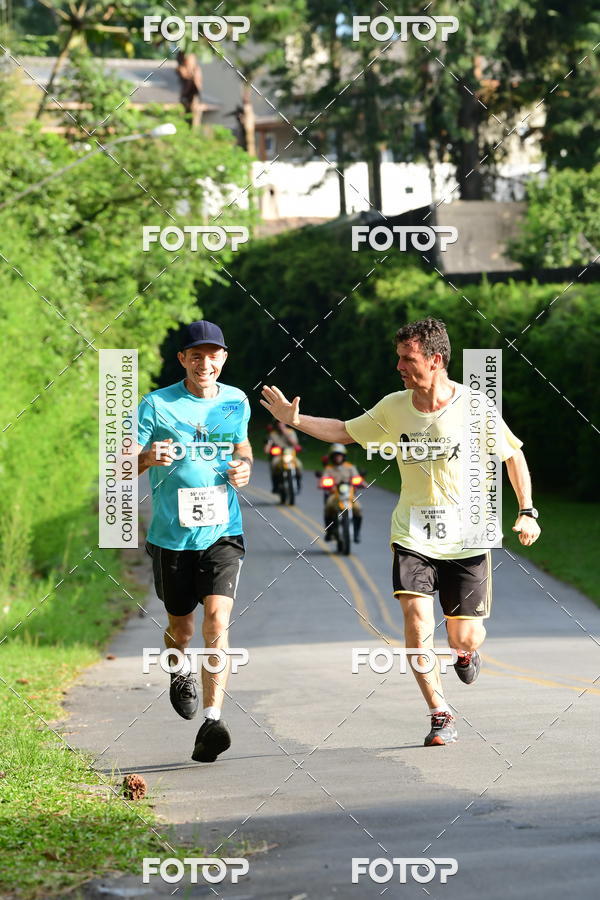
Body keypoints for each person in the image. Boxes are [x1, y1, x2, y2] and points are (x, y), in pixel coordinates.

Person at [261, 318, 541, 746]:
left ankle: (465, 652)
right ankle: (439, 711)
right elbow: (344, 431)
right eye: (398, 359)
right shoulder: (394, 406)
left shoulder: (476, 407)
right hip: (413, 534)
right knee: (415, 621)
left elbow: (513, 456)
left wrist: (527, 511)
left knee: (463, 634)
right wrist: (294, 420)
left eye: (407, 359)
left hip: (467, 537)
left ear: (436, 359)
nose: (399, 367)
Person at [136, 320, 252, 763]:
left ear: (224, 358)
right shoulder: (156, 404)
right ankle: (177, 670)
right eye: (196, 355)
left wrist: (243, 466)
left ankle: (212, 720)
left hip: (223, 531)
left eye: (214, 355)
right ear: (182, 359)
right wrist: (147, 457)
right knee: (181, 631)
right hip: (171, 537)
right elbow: (120, 466)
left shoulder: (236, 400)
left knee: (216, 624)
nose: (206, 363)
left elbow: (243, 448)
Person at [321, 443, 363, 543]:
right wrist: (325, 483)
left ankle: (356, 533)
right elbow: (324, 479)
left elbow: (357, 478)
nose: (337, 458)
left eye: (339, 455)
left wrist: (361, 482)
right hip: (334, 495)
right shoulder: (329, 468)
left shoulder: (350, 467)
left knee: (358, 509)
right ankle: (329, 531)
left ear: (343, 456)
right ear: (332, 457)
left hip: (349, 495)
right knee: (328, 507)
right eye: (335, 455)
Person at [264, 420, 303, 493]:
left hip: (290, 455)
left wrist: (285, 433)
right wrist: (267, 447)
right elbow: (268, 445)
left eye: (282, 422)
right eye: (278, 422)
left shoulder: (290, 432)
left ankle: (298, 483)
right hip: (278, 456)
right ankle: (275, 485)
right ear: (275, 424)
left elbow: (295, 444)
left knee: (299, 465)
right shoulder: (272, 434)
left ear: (285, 423)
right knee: (273, 464)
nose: (280, 424)